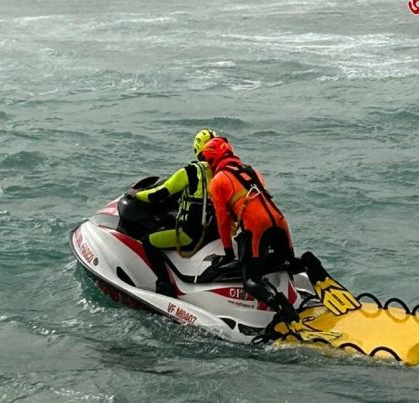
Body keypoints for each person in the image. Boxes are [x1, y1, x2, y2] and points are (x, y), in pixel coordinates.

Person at [200, 137, 300, 323]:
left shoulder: (218, 180)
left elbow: (222, 221)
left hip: (256, 227)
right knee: (289, 262)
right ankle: (310, 265)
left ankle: (282, 309)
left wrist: (229, 253)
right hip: (279, 221)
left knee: (250, 281)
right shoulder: (251, 170)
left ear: (213, 159)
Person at [128, 129, 219, 297]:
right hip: (213, 234)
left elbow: (159, 194)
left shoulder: (190, 172)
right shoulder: (221, 172)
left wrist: (137, 195)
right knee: (170, 221)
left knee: (148, 241)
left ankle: (164, 284)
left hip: (191, 236)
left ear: (197, 148)